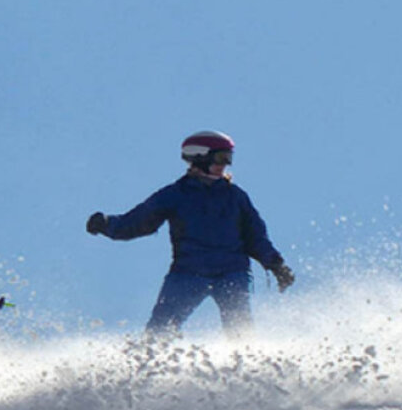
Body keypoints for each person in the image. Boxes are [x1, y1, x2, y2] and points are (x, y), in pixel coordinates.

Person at [86, 130, 294, 338]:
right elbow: (139, 222)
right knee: (161, 326)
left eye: (229, 158)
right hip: (188, 272)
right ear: (199, 157)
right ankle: (149, 361)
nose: (225, 165)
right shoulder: (175, 195)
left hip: (232, 272)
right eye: (220, 158)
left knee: (239, 324)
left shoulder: (236, 197)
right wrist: (106, 224)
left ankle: (247, 361)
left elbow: (255, 236)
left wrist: (276, 265)